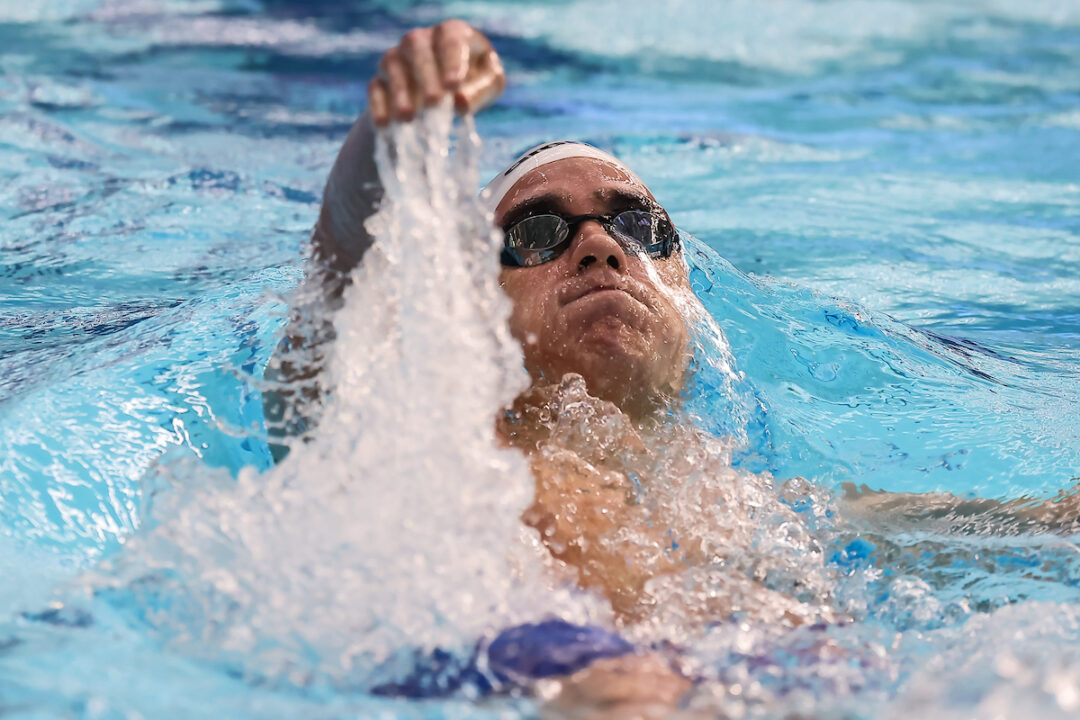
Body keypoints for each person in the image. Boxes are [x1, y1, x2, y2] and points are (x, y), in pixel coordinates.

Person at [265, 18, 1080, 716]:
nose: (599, 246)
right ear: (474, 311)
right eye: (540, 231)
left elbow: (974, 532)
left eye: (639, 226)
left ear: (689, 295)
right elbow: (326, 326)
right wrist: (390, 132)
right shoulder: (442, 454)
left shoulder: (742, 495)